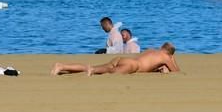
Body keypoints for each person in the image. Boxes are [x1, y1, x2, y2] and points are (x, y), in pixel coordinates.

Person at [51, 42, 180, 76]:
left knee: (96, 67)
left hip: (124, 59)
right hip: (133, 66)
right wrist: (171, 58)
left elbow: (150, 64)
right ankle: (92, 70)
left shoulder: (152, 50)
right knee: (98, 70)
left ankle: (62, 67)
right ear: (169, 53)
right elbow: (176, 72)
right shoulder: (165, 57)